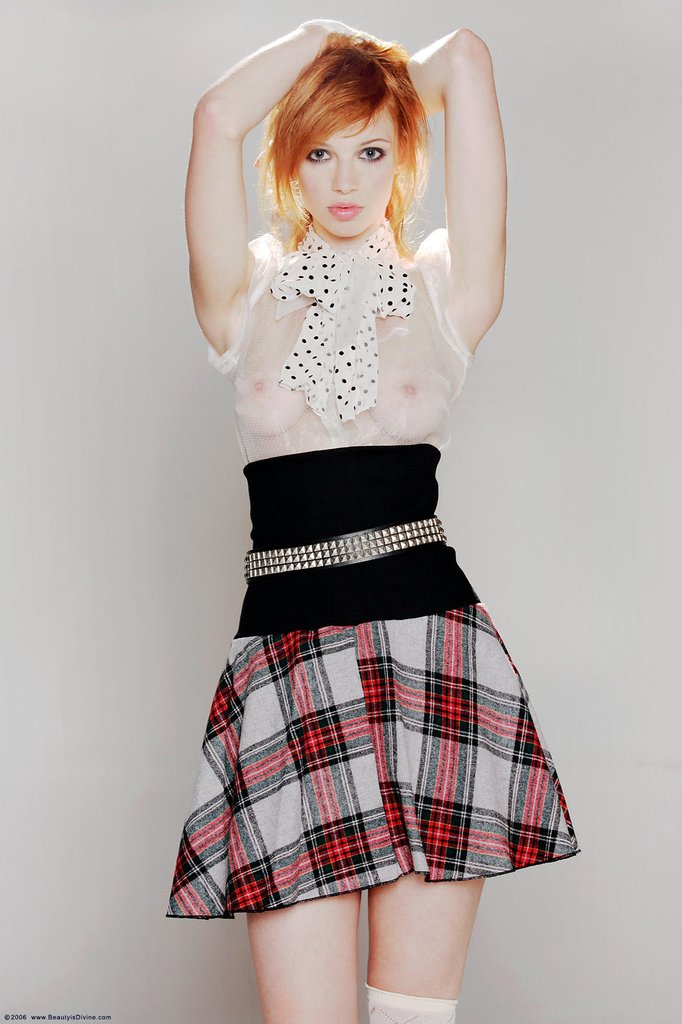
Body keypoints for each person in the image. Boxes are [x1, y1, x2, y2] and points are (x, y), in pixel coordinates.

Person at [166, 20, 581, 1024]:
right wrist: (322, 40)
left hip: (432, 659)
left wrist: (383, 83)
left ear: (405, 153)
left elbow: (468, 55)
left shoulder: (444, 292)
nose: (345, 180)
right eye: (318, 151)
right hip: (287, 668)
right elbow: (217, 115)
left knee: (410, 1016)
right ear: (287, 163)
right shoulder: (245, 297)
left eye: (371, 150)